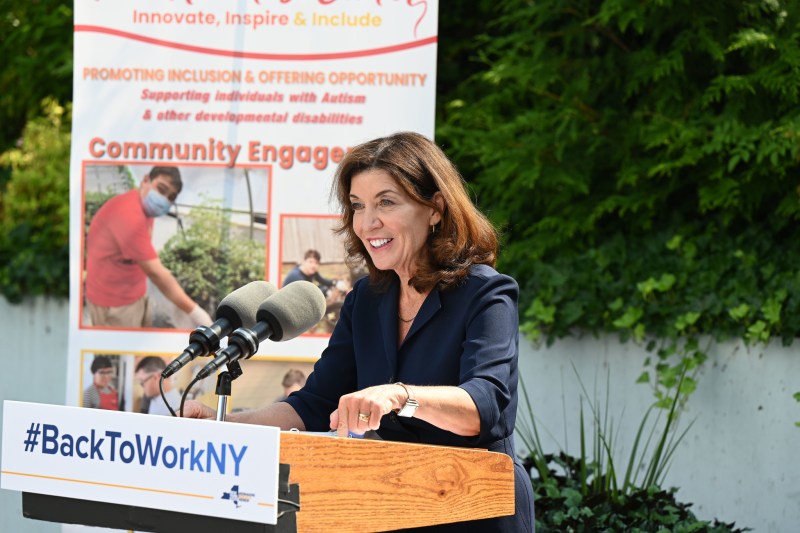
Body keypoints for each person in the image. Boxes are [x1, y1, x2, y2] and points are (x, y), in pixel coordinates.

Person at [183, 132, 535, 531]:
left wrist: (400, 396)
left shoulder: (485, 292)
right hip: (391, 506)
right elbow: (314, 403)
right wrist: (224, 424)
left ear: (435, 208)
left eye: (386, 202)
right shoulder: (367, 299)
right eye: (357, 206)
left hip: (475, 510)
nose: (368, 223)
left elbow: (483, 407)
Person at [84, 166, 212, 328]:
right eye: (161, 189)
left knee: (142, 351)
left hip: (135, 292)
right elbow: (155, 272)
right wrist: (194, 312)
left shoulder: (145, 209)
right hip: (115, 304)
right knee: (125, 351)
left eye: (171, 197)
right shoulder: (129, 215)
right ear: (146, 180)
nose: (164, 199)